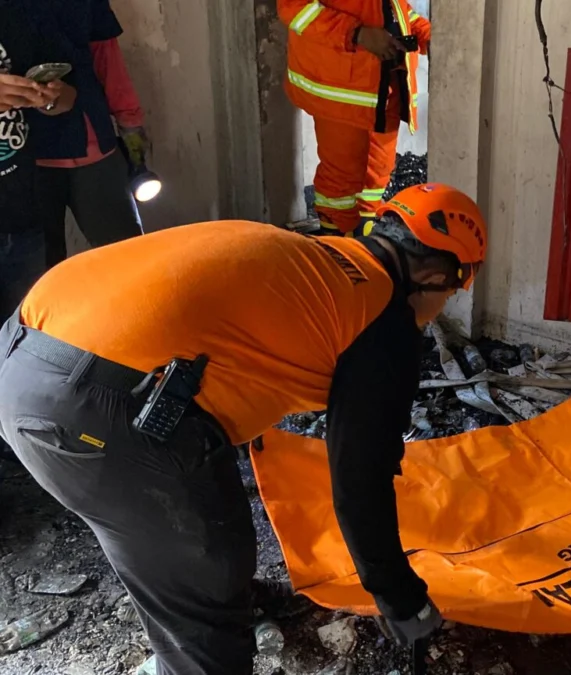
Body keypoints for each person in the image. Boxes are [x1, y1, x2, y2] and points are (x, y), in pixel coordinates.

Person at [0, 183, 486, 674]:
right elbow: (361, 481)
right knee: (204, 573)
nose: (444, 302)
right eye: (452, 288)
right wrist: (399, 597)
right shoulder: (383, 322)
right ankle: (203, 620)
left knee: (203, 527)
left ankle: (220, 594)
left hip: (21, 348)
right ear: (433, 274)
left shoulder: (316, 260)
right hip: (88, 411)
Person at [278, 0, 431, 236]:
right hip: (340, 90)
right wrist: (358, 34)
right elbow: (294, 8)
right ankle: (337, 242)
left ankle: (366, 232)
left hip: (384, 86)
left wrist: (422, 30)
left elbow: (393, 8)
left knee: (379, 169)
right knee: (341, 176)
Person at [30, 0, 147, 268]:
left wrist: (132, 133)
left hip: (91, 145)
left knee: (128, 262)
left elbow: (108, 61)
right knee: (38, 282)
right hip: (22, 158)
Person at [1, 0, 77, 317]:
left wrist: (49, 99)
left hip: (22, 215)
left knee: (26, 342)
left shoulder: (16, 14)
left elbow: (69, 97)